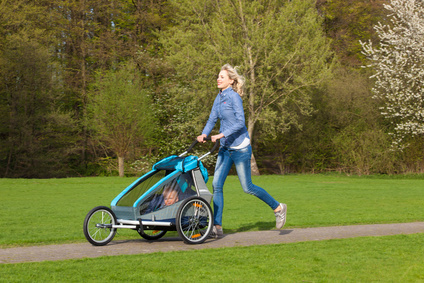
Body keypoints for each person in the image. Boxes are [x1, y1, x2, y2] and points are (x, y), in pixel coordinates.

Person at [197, 64, 287, 238]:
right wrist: (204, 134)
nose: (218, 79)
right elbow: (211, 118)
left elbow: (240, 123)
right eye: (218, 76)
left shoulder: (234, 97)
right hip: (225, 148)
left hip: (240, 148)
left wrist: (221, 134)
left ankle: (278, 207)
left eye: (222, 77)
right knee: (217, 186)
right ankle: (217, 226)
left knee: (248, 187)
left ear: (231, 81)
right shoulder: (219, 97)